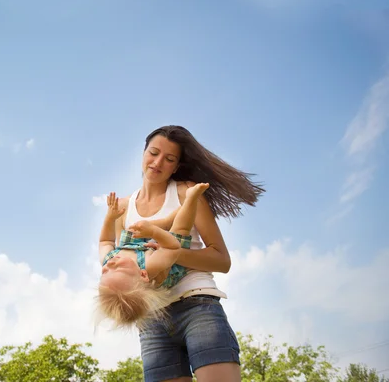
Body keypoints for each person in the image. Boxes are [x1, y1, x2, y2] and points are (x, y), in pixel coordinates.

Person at [112, 125, 265, 382]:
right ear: (143, 153)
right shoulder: (123, 209)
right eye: (154, 152)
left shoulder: (187, 193)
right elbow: (122, 265)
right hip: (153, 320)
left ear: (176, 166)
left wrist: (171, 252)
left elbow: (221, 259)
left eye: (169, 159)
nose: (158, 162)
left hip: (198, 306)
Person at [97, 183, 210, 328]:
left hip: (137, 245)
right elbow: (172, 248)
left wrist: (110, 218)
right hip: (166, 257)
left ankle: (167, 220)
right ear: (142, 274)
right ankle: (191, 200)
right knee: (179, 230)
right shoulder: (150, 266)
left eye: (104, 272)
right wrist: (154, 232)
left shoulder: (108, 259)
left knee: (135, 228)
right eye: (118, 269)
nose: (110, 264)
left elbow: (105, 241)